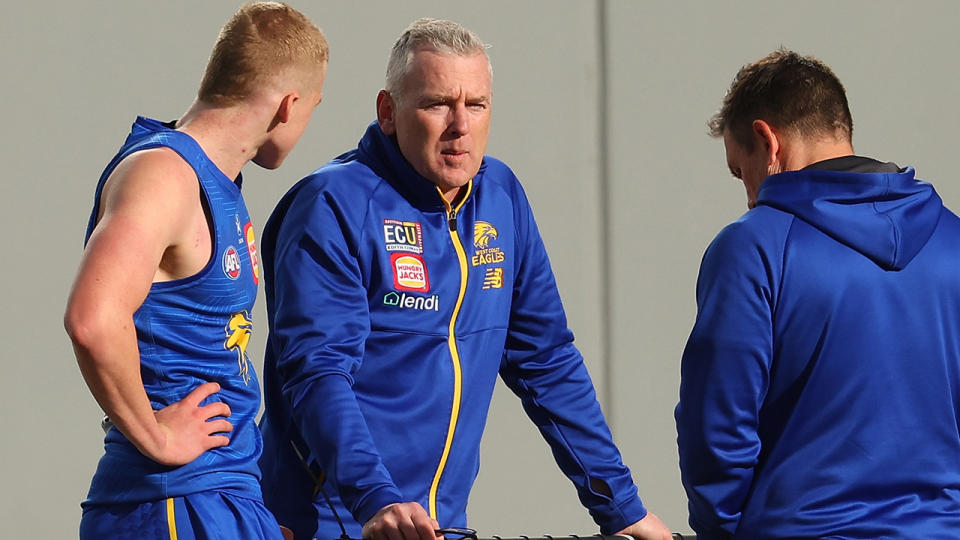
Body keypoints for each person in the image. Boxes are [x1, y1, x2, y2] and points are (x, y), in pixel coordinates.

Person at [257, 17, 672, 540]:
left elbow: (546, 359)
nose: (461, 125)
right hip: (334, 521)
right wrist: (376, 500)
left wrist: (622, 508)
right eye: (437, 104)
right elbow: (317, 373)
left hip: (438, 527)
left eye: (476, 105)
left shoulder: (501, 197)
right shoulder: (332, 205)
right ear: (388, 111)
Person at [63, 3, 328, 539]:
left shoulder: (215, 183)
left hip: (221, 495)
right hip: (170, 500)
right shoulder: (163, 175)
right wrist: (158, 439)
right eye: (313, 109)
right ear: (288, 106)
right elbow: (92, 319)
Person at [675, 48, 960, 539]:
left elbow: (717, 430)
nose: (748, 196)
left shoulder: (753, 247)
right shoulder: (953, 242)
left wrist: (720, 531)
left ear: (768, 141)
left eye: (741, 172)